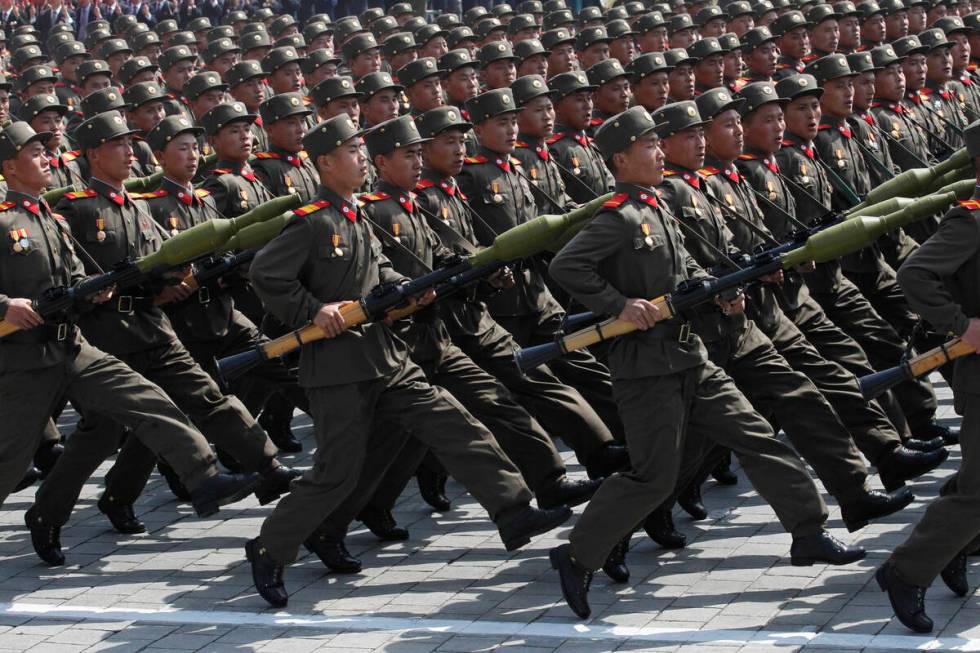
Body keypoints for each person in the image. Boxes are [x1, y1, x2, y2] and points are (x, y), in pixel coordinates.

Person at [546, 106, 864, 620]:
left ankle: (809, 530)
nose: (657, 152)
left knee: (757, 436)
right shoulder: (618, 216)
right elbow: (567, 266)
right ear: (621, 159)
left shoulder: (657, 205)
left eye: (656, 143)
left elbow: (682, 265)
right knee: (653, 475)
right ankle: (578, 553)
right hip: (647, 367)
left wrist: (719, 294)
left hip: (691, 353)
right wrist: (617, 303)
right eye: (648, 146)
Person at [243, 113, 572, 609]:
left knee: (458, 425)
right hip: (337, 368)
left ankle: (514, 510)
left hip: (388, 356)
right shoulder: (312, 221)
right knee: (336, 471)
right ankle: (270, 545)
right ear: (326, 162)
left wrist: (403, 292)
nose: (360, 159)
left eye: (360, 149)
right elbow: (265, 275)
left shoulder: (356, 216)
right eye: (352, 152)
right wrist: (315, 310)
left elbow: (378, 269)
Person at [0, 120, 258, 553]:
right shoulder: (5, 221)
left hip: (72, 346)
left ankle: (204, 477)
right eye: (34, 152)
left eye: (46, 150)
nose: (47, 158)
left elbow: (74, 278)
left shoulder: (52, 219)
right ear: (9, 166)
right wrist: (5, 305)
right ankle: (44, 514)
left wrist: (96, 289)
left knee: (148, 400)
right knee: (9, 459)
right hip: (25, 359)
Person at [877, 119, 980, 633]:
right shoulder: (971, 222)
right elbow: (914, 273)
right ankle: (905, 571)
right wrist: (962, 324)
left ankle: (958, 543)